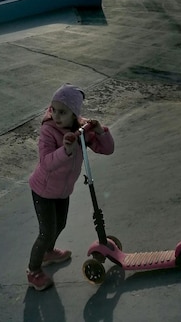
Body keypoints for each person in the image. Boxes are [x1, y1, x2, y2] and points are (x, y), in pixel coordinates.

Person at [27, 84, 115, 291]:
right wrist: (65, 151)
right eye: (53, 110)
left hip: (62, 191)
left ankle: (48, 253)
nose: (56, 116)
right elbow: (46, 162)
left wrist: (101, 131)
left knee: (61, 225)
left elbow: (107, 149)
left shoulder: (81, 130)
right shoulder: (48, 131)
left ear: (74, 114)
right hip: (43, 190)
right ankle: (33, 270)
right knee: (46, 231)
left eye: (62, 112)